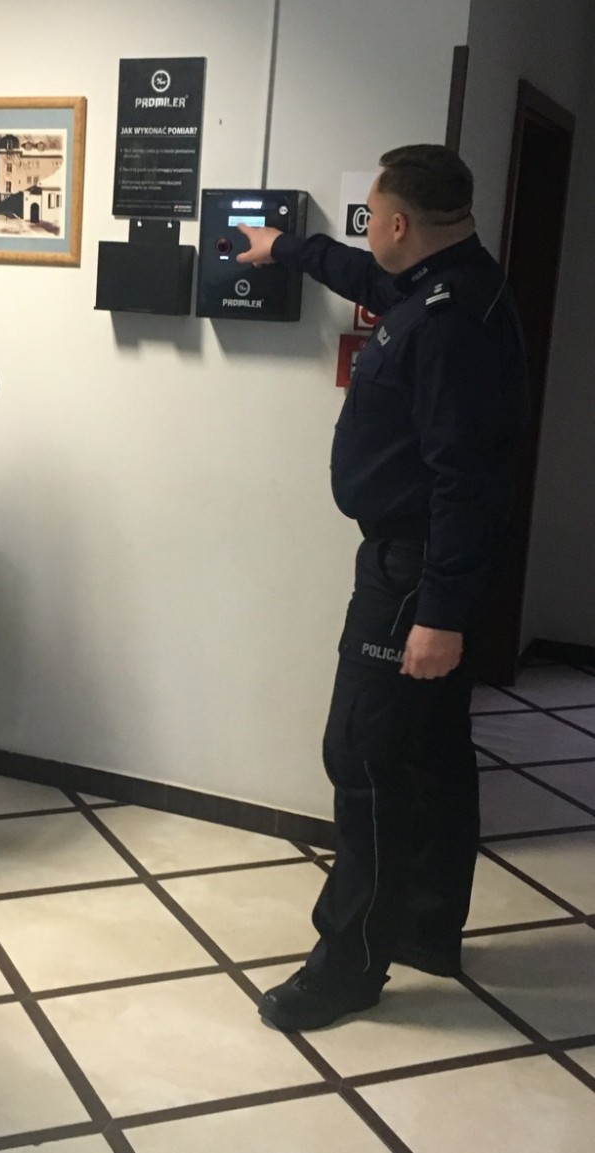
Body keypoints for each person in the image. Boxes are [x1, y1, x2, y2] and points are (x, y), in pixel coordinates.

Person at [236, 144, 530, 1031]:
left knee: (362, 757)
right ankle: (428, 926)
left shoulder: (447, 323)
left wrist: (439, 611)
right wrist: (287, 249)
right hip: (421, 566)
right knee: (430, 750)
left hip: (413, 572)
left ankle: (348, 964)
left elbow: (464, 479)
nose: (371, 231)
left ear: (398, 222)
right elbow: (368, 275)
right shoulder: (453, 281)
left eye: (374, 215)